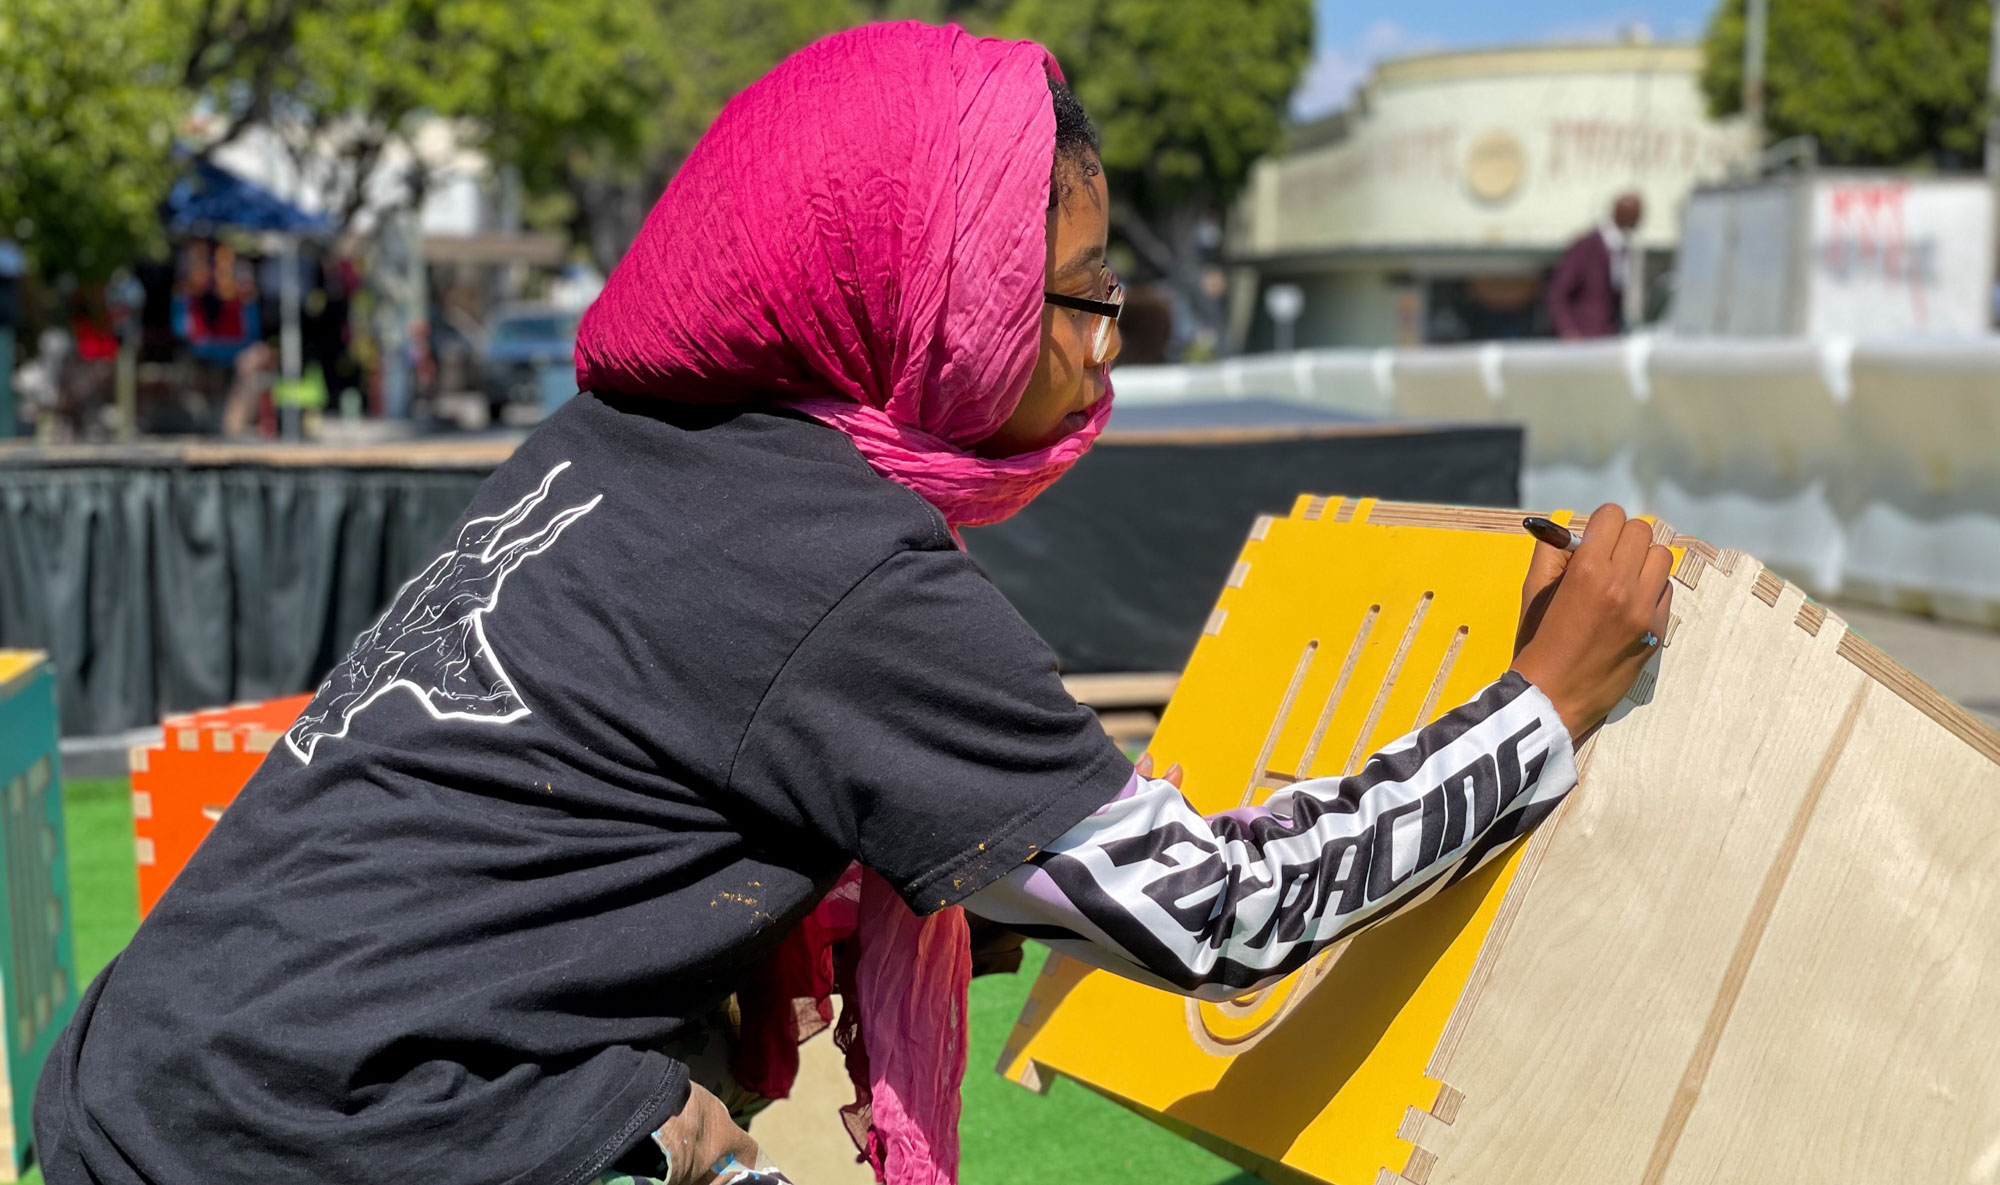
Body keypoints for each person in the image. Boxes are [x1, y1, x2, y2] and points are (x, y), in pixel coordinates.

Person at [33, 23, 1672, 1185]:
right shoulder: (836, 571)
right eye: (1083, 297)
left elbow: (583, 787)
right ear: (928, 292)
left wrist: (756, 923)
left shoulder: (620, 445)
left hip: (152, 1075)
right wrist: (1545, 703)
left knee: (699, 1137)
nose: (1112, 348)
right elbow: (1219, 916)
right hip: (325, 1130)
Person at [1547, 192, 1643, 339]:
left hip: (1607, 337)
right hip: (1585, 337)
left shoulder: (1621, 247)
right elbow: (1557, 293)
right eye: (1637, 215)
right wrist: (1568, 331)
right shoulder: (1588, 246)